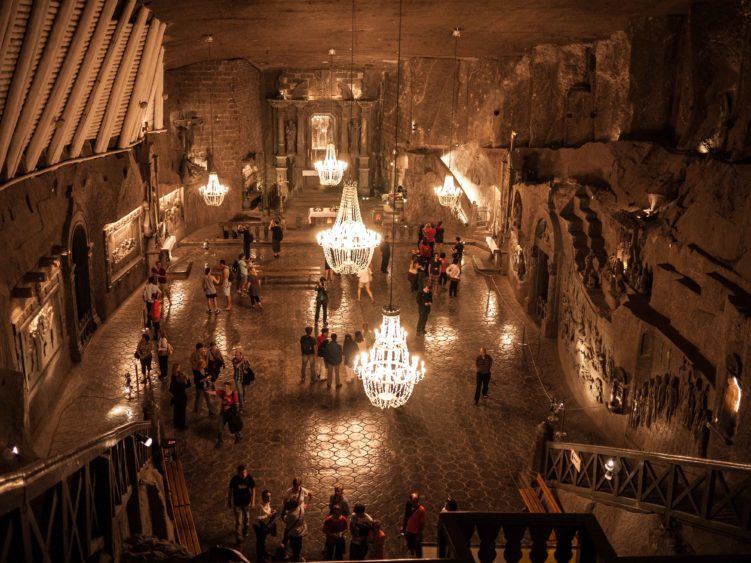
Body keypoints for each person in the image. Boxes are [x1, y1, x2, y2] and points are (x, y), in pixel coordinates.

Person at [228, 464, 256, 544]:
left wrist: (253, 501)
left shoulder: (249, 478)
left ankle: (245, 529)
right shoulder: (234, 479)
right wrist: (229, 500)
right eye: (242, 473)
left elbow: (253, 489)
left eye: (245, 472)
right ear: (238, 473)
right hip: (237, 504)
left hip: (247, 503)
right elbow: (230, 490)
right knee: (238, 521)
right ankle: (238, 537)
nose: (244, 474)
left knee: (247, 518)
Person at [209, 380, 242, 447]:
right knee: (220, 426)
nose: (225, 388)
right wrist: (207, 391)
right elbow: (215, 392)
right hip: (223, 413)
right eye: (224, 387)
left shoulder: (233, 394)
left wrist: (230, 407)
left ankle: (238, 436)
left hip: (231, 414)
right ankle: (220, 441)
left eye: (226, 387)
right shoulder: (222, 393)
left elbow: (237, 404)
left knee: (233, 425)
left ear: (230, 388)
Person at [191, 343, 214, 415]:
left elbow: (205, 364)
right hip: (199, 377)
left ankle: (210, 411)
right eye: (202, 348)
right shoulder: (195, 355)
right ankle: (196, 409)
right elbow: (194, 363)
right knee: (198, 396)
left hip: (204, 379)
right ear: (198, 349)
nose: (203, 349)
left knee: (207, 397)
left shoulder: (202, 354)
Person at [254, 490, 277, 562]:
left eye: (270, 496)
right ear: (263, 497)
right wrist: (268, 516)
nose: (269, 498)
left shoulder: (267, 503)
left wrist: (272, 511)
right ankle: (260, 558)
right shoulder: (259, 507)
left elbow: (268, 511)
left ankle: (263, 553)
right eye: (267, 497)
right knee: (260, 542)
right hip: (258, 526)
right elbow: (257, 518)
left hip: (264, 525)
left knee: (263, 541)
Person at [402, 492, 426, 558]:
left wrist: (419, 535)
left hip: (416, 534)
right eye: (413, 501)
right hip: (409, 532)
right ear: (411, 500)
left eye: (416, 500)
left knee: (418, 551)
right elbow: (406, 517)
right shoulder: (408, 505)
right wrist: (404, 528)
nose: (415, 502)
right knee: (410, 548)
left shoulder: (421, 510)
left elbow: (422, 524)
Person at [169, 363, 190, 430]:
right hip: (182, 397)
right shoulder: (180, 380)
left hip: (176, 397)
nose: (180, 369)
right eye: (179, 368)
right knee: (182, 412)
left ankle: (176, 424)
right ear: (176, 369)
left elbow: (171, 389)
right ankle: (182, 425)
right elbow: (188, 385)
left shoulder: (173, 376)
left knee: (176, 411)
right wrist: (187, 379)